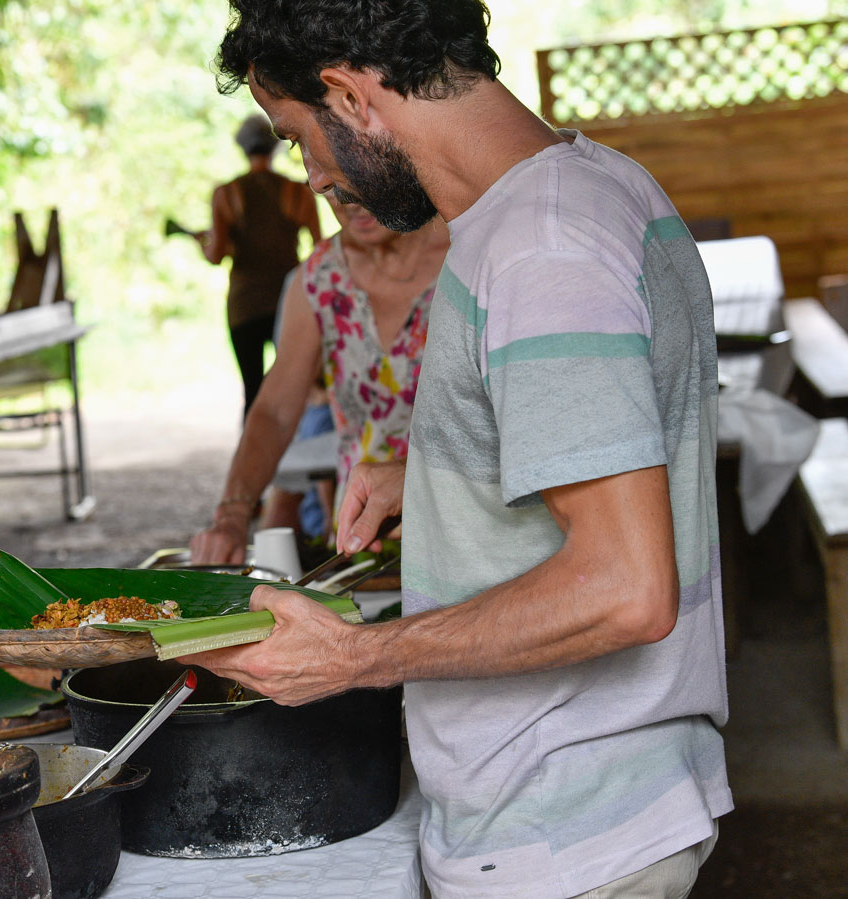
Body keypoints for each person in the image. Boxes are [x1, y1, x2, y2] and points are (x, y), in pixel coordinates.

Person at [184, 3, 731, 897]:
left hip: (564, 826)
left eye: (297, 138)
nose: (314, 176)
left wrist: (352, 657)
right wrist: (440, 472)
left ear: (349, 95)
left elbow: (625, 589)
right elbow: (618, 428)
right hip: (583, 802)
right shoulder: (594, 185)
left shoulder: (539, 246)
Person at [190, 196, 446, 564]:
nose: (349, 200)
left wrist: (415, 477)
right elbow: (275, 412)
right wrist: (232, 516)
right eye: (331, 186)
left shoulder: (468, 255)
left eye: (359, 179)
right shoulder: (322, 275)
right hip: (363, 540)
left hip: (463, 531)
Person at [198, 114, 321, 417]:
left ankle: (252, 459)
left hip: (245, 306)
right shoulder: (298, 192)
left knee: (252, 389)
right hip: (289, 302)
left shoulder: (225, 194)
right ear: (275, 146)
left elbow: (215, 256)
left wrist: (201, 243)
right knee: (297, 387)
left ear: (242, 148)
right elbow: (320, 251)